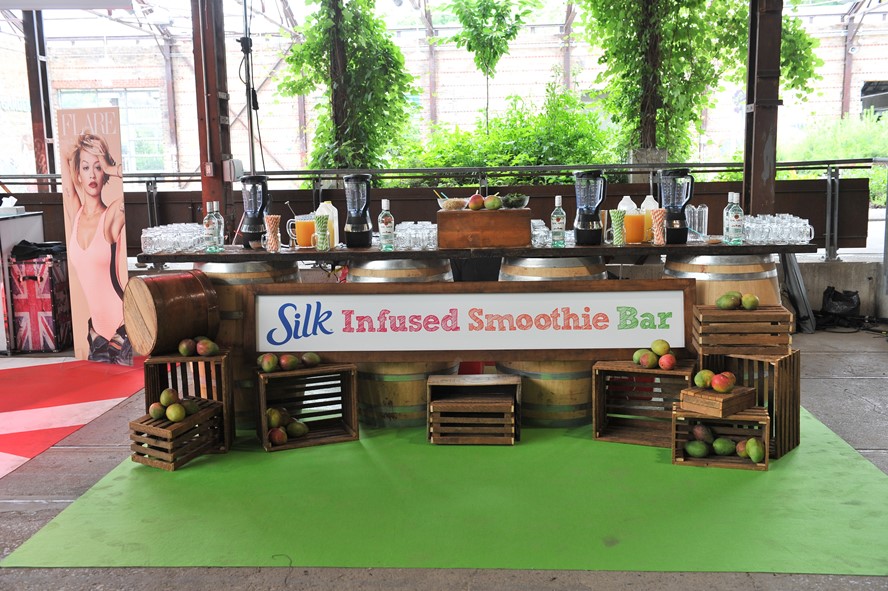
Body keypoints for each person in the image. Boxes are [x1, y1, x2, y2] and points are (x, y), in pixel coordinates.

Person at [62, 131, 132, 365]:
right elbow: (66, 174)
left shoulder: (112, 215)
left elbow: (133, 185)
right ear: (77, 174)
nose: (92, 174)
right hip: (96, 334)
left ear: (105, 175)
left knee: (130, 386)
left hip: (122, 328)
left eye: (98, 167)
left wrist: (110, 167)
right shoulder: (76, 213)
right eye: (85, 168)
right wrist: (70, 150)